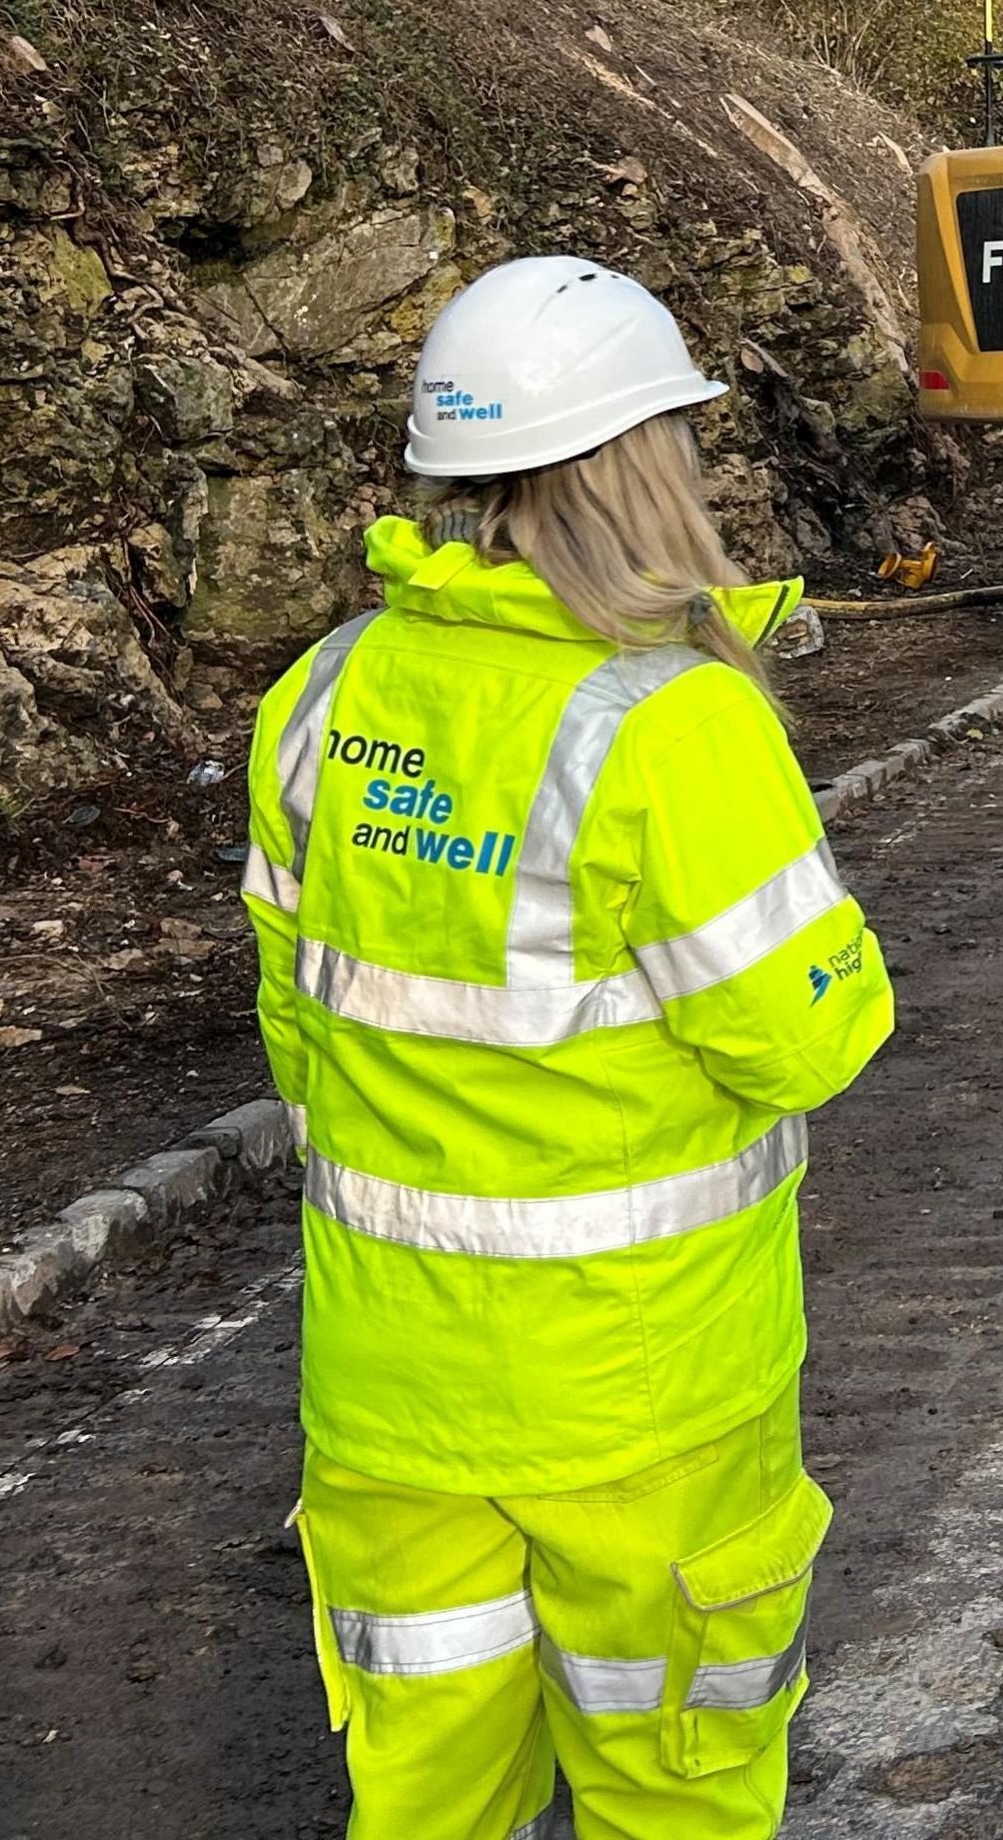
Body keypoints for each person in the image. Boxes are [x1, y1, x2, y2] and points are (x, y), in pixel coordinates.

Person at [240, 257, 896, 1838]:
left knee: (427, 1800)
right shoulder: (671, 726)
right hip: (643, 1400)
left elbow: (300, 1030)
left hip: (388, 1401)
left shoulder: (326, 695)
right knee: (671, 1786)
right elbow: (811, 1036)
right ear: (634, 465)